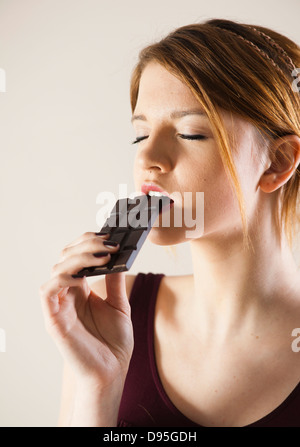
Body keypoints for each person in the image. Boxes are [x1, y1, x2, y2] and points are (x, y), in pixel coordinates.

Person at [39, 18, 300, 427]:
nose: (147, 159)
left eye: (191, 133)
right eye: (140, 136)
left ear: (278, 162)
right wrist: (100, 386)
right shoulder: (113, 309)